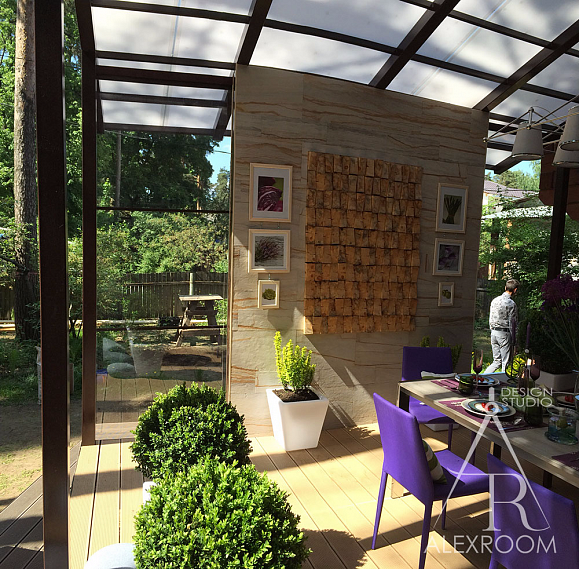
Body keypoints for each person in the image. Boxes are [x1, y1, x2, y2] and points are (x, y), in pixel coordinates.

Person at [484, 279, 519, 373]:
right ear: (515, 290)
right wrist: (515, 340)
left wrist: (492, 330)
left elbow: (491, 317)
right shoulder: (511, 304)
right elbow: (513, 323)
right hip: (504, 334)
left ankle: (481, 378)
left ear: (505, 287)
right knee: (505, 363)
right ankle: (504, 380)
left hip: (494, 332)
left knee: (496, 361)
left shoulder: (495, 300)